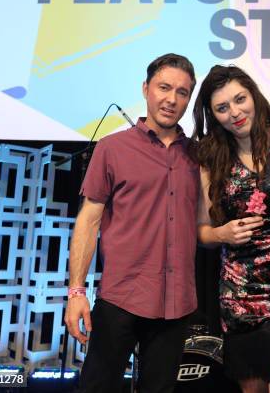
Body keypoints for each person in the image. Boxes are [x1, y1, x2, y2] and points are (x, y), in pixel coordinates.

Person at [64, 53, 199, 393]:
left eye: (182, 92)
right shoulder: (112, 148)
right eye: (164, 88)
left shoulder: (199, 156)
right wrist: (76, 291)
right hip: (121, 296)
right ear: (145, 89)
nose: (172, 99)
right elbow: (88, 221)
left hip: (176, 303)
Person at [193, 65, 270, 393]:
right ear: (213, 114)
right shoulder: (210, 160)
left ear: (254, 96)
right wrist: (221, 234)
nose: (234, 112)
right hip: (240, 301)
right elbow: (202, 231)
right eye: (222, 108)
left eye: (240, 99)